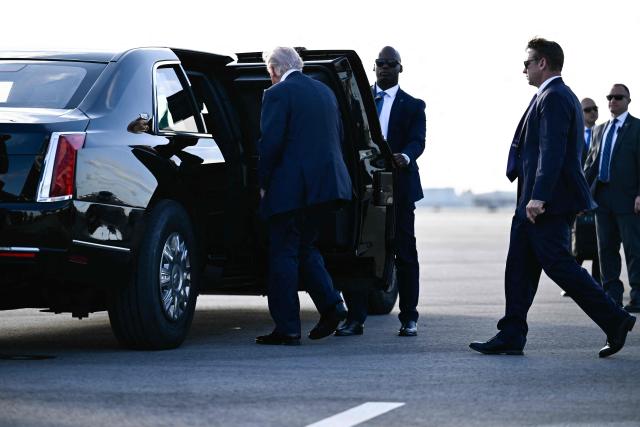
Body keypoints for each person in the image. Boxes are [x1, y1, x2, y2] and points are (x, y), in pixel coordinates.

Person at [469, 38, 635, 358]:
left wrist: (539, 197)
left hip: (546, 203)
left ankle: (615, 319)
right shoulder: (549, 95)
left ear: (543, 63)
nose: (524, 69)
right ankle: (511, 333)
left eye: (528, 62)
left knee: (560, 265)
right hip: (532, 201)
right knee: (519, 266)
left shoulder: (556, 96)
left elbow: (553, 151)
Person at [255, 47, 352, 345]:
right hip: (327, 188)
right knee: (305, 247)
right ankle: (333, 306)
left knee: (283, 253)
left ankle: (288, 328)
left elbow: (270, 143)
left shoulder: (277, 94)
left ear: (274, 69)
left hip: (291, 189)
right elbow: (340, 137)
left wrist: (262, 183)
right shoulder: (325, 92)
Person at [337, 46, 426, 337]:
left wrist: (406, 157)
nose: (385, 67)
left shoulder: (413, 105)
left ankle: (409, 318)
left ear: (401, 68)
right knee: (363, 252)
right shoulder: (357, 103)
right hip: (366, 187)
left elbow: (417, 141)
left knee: (405, 252)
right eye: (380, 63)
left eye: (391, 63)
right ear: (374, 68)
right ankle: (356, 318)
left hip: (399, 186)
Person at [584, 84, 640, 313]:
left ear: (628, 100)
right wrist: (582, 195)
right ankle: (611, 297)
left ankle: (637, 297)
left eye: (618, 97)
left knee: (634, 250)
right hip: (602, 198)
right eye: (610, 97)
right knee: (605, 250)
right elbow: (590, 165)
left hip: (629, 200)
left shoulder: (637, 128)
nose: (613, 101)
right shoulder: (600, 130)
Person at [563, 98, 601, 297]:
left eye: (595, 109)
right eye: (587, 110)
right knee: (574, 242)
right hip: (575, 197)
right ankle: (573, 284)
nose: (592, 113)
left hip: (597, 196)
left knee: (597, 242)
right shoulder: (572, 134)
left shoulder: (604, 133)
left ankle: (597, 283)